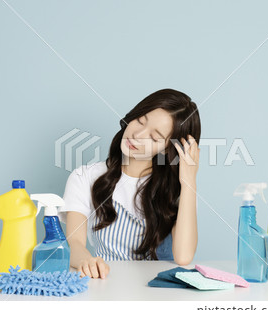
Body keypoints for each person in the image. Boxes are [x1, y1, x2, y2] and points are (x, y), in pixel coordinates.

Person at [58, 88, 201, 279]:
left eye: (154, 137)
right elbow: (75, 243)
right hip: (106, 286)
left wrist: (189, 181)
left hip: (160, 294)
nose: (138, 135)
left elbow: (183, 257)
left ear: (169, 149)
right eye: (140, 120)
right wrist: (86, 261)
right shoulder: (85, 177)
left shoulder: (179, 189)